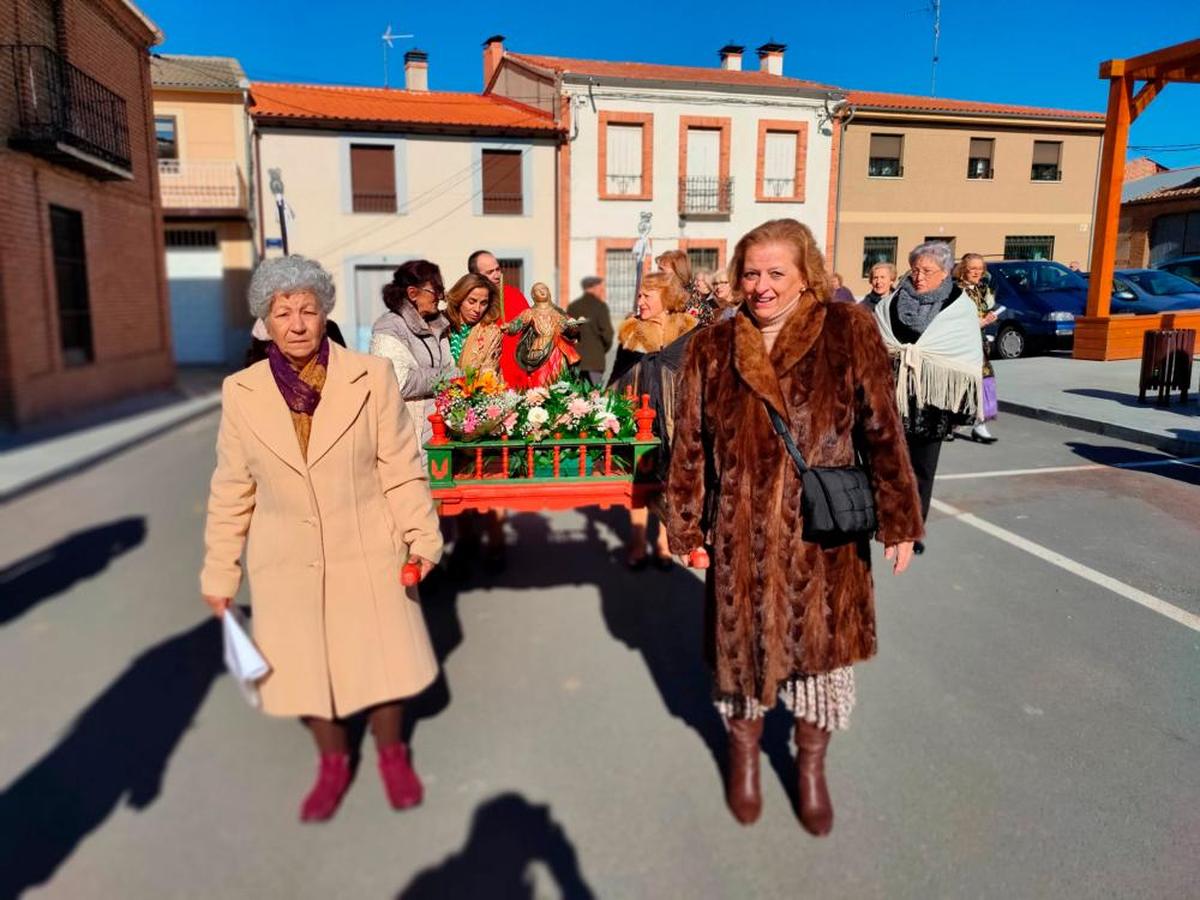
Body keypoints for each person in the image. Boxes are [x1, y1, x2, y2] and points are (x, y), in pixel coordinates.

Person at [666, 219, 923, 836]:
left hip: (822, 536)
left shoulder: (848, 331)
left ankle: (810, 768)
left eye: (776, 272)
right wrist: (685, 526)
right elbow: (690, 446)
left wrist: (899, 521)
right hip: (739, 537)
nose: (762, 286)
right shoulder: (711, 346)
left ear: (806, 274)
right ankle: (745, 759)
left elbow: (881, 429)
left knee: (822, 665)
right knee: (740, 662)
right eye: (751, 273)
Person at [200, 255, 442, 823]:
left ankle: (391, 753)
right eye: (283, 312)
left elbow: (401, 466)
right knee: (304, 667)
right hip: (285, 555)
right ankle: (332, 763)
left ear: (325, 311)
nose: (298, 323)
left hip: (367, 543)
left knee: (382, 660)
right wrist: (220, 570)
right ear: (266, 321)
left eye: (308, 309)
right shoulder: (242, 392)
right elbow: (232, 485)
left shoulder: (370, 376)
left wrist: (420, 536)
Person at [874, 241, 983, 552]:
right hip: (893, 397)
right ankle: (890, 523)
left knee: (921, 471)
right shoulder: (893, 302)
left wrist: (959, 411)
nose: (919, 276)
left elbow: (964, 358)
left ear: (945, 272)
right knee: (890, 466)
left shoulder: (957, 305)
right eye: (915, 270)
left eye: (927, 271)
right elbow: (879, 340)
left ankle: (913, 531)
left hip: (932, 403)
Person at [609, 271, 698, 569]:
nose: (640, 300)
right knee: (638, 480)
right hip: (639, 419)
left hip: (676, 419)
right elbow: (616, 378)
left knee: (670, 480)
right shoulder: (631, 334)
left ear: (667, 298)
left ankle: (663, 541)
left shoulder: (690, 334)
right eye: (640, 295)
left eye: (647, 295)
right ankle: (636, 541)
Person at [369, 260, 454, 462]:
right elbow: (399, 382)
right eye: (436, 291)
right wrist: (449, 377)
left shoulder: (438, 324)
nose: (440, 298)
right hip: (408, 438)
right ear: (413, 293)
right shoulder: (390, 327)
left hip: (438, 436)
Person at [468, 250, 531, 387]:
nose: (497, 275)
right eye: (490, 272)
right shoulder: (470, 301)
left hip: (519, 374)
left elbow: (530, 325)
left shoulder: (514, 294)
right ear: (476, 276)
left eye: (497, 269)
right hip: (485, 378)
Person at [955, 253, 1000, 444]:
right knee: (960, 383)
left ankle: (980, 423)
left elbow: (983, 310)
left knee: (983, 381)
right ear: (964, 269)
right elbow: (955, 320)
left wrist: (989, 318)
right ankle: (952, 422)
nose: (977, 272)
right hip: (961, 344)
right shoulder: (956, 291)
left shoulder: (981, 289)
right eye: (973, 268)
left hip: (979, 343)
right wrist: (979, 323)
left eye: (980, 269)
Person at [503, 282, 583, 387]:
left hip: (558, 351)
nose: (542, 291)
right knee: (540, 380)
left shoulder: (558, 312)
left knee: (559, 380)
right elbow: (518, 324)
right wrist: (509, 327)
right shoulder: (530, 312)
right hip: (540, 350)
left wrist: (573, 327)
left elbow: (569, 331)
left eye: (544, 288)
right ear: (533, 295)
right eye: (538, 290)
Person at [445, 273, 503, 374]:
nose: (477, 309)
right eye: (472, 302)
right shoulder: (440, 324)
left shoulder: (491, 334)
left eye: (483, 303)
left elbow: (488, 376)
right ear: (459, 298)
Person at [567, 276, 615, 386]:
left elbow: (568, 332)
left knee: (575, 397)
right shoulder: (600, 306)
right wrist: (601, 349)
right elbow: (608, 334)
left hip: (576, 360)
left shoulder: (573, 306)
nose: (602, 292)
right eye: (600, 289)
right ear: (593, 288)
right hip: (595, 361)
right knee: (594, 398)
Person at [657, 249, 717, 327]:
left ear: (677, 270)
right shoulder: (666, 292)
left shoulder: (691, 298)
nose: (657, 273)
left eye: (662, 269)